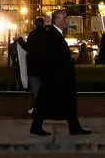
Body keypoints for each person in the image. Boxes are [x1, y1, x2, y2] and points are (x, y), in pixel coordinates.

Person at [28, 9, 90, 137]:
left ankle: (39, 126)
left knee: (47, 101)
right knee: (57, 101)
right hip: (57, 75)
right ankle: (73, 127)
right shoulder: (53, 35)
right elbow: (54, 54)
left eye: (66, 18)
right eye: (64, 18)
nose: (66, 21)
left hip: (55, 74)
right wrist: (70, 58)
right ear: (56, 20)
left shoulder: (54, 34)